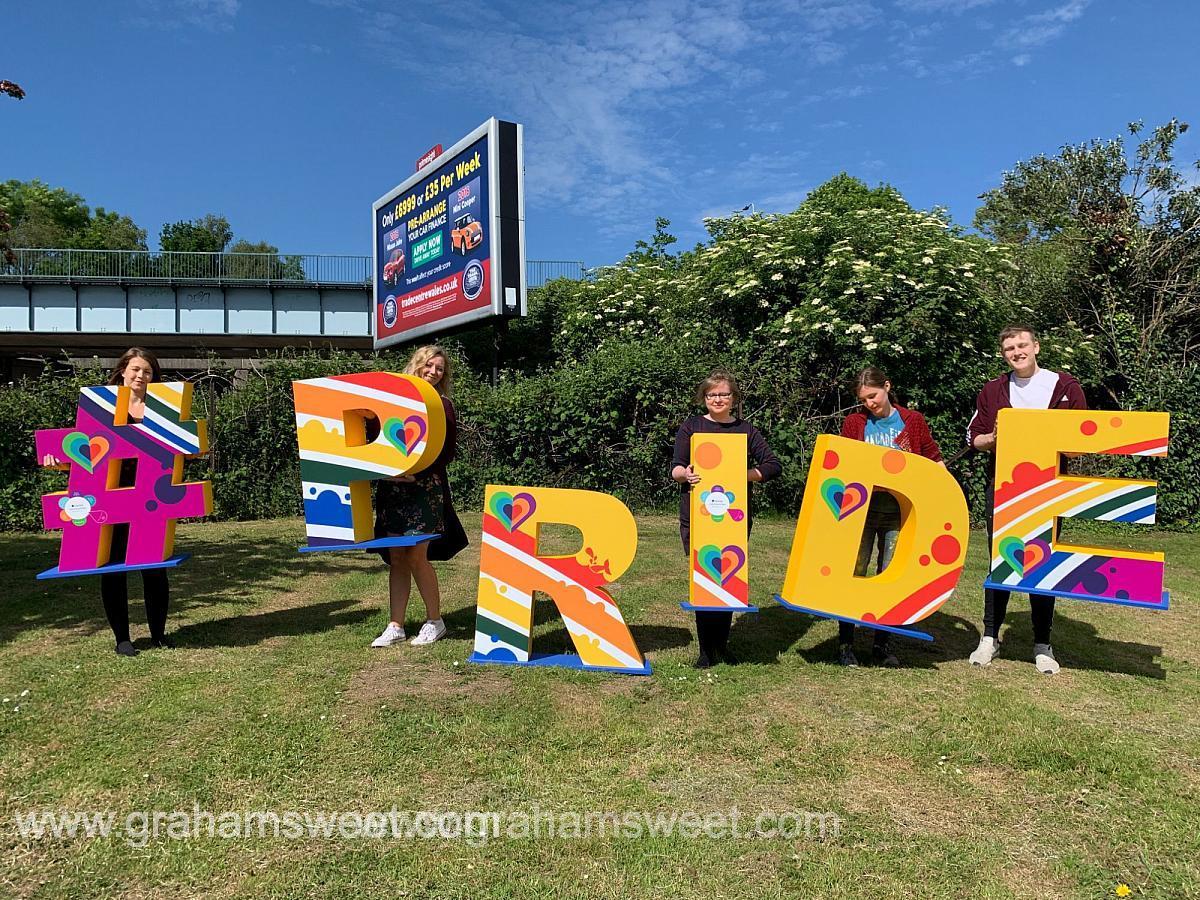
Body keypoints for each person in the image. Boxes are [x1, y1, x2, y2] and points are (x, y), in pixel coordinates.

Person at [966, 325, 1087, 675]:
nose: (1016, 352)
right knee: (1000, 559)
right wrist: (993, 437)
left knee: (1043, 561)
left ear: (1036, 346)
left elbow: (1083, 437)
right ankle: (990, 636)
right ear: (1004, 354)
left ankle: (1042, 643)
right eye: (1009, 348)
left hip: (1050, 486)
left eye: (1021, 345)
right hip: (1003, 487)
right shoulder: (992, 391)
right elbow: (975, 438)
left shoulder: (1066, 386)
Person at [671, 371, 782, 668]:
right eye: (712, 395)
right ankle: (706, 651)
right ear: (704, 398)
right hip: (697, 515)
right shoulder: (691, 427)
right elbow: (676, 468)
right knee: (706, 577)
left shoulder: (746, 430)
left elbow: (772, 466)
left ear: (734, 398)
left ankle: (722, 645)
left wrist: (740, 476)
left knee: (727, 578)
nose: (718, 399)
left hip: (733, 518)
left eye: (724, 394)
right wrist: (686, 473)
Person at [836, 367, 944, 668]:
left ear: (887, 386)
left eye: (873, 395)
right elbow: (846, 464)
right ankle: (845, 644)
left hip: (899, 514)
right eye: (863, 399)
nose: (869, 403)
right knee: (854, 572)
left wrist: (941, 481)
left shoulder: (913, 421)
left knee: (890, 576)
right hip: (861, 513)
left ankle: (881, 645)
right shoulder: (855, 423)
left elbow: (932, 457)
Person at [370, 345, 468, 648]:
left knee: (416, 555)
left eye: (439, 369)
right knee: (397, 557)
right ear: (416, 364)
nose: (433, 372)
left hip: (425, 489)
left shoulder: (443, 405)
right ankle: (395, 625)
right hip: (392, 489)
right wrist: (384, 471)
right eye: (429, 365)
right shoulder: (392, 400)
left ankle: (434, 621)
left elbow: (446, 451)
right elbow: (374, 435)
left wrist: (417, 474)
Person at [99, 348, 173, 657]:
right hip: (111, 496)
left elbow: (173, 446)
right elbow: (84, 445)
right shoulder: (102, 405)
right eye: (135, 369)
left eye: (147, 371)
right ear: (122, 372)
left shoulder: (162, 408)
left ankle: (158, 634)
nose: (141, 375)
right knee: (113, 567)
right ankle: (122, 640)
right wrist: (59, 459)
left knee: (154, 568)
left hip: (149, 498)